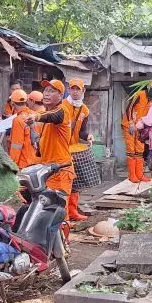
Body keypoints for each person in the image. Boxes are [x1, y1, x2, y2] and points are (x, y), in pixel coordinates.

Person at [25, 79, 76, 218]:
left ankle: (63, 240)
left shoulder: (62, 110)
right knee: (48, 213)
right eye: (46, 90)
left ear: (60, 96)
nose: (46, 94)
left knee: (58, 214)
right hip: (48, 170)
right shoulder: (48, 114)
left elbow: (52, 116)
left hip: (61, 170)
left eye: (52, 91)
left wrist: (36, 116)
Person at [64, 78, 95, 221]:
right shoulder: (62, 105)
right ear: (69, 90)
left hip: (74, 150)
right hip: (60, 149)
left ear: (83, 91)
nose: (75, 92)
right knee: (63, 182)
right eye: (73, 89)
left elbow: (82, 131)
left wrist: (88, 136)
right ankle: (63, 214)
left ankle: (73, 212)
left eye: (78, 89)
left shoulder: (85, 110)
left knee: (76, 182)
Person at [122, 80, 152, 183]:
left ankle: (139, 175)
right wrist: (130, 123)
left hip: (140, 127)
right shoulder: (139, 94)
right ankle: (132, 175)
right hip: (129, 125)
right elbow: (129, 108)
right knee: (131, 150)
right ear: (149, 87)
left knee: (140, 150)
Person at [7, 89, 39, 169]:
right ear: (26, 101)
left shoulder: (18, 120)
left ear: (12, 103)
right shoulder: (35, 115)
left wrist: (12, 167)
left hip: (24, 164)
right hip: (37, 161)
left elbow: (16, 146)